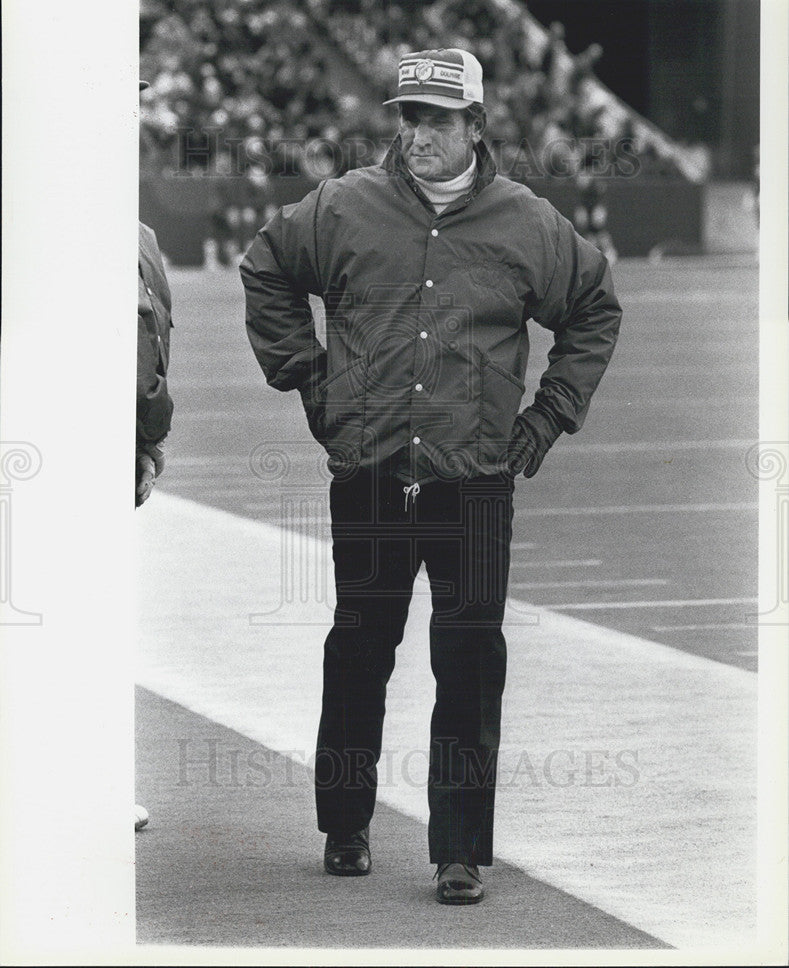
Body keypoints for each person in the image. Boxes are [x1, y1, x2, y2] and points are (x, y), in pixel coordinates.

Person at [241, 48, 621, 903]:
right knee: (358, 652)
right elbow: (265, 266)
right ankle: (344, 823)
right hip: (372, 469)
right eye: (407, 117)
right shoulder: (342, 205)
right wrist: (308, 377)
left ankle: (459, 850)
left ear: (476, 127)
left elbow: (594, 308)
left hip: (476, 481)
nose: (417, 134)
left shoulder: (527, 222)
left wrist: (550, 412)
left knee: (469, 661)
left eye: (437, 120)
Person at [136, 80, 175, 829]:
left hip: (107, 456)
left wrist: (145, 440)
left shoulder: (138, 237)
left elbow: (155, 347)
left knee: (104, 623)